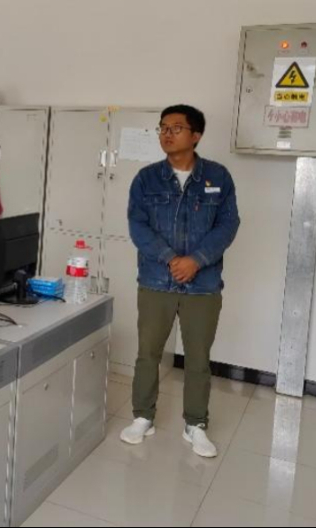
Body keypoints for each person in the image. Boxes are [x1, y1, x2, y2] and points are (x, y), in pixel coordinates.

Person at [120, 105, 240, 459]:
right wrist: (173, 259)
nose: (166, 134)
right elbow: (138, 226)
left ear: (196, 135)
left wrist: (196, 260)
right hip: (156, 280)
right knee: (148, 353)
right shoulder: (146, 179)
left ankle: (195, 424)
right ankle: (142, 417)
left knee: (198, 357)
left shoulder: (218, 176)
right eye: (162, 128)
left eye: (175, 128)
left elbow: (228, 225)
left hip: (203, 285)